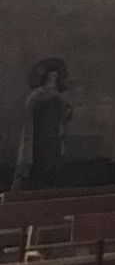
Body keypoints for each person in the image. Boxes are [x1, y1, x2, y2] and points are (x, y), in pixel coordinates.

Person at [11, 59, 72, 191]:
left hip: (54, 131)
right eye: (51, 76)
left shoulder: (61, 94)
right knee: (41, 158)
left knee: (54, 157)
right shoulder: (37, 93)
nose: (53, 79)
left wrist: (66, 110)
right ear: (46, 77)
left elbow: (66, 114)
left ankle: (53, 181)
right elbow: (29, 110)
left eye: (55, 76)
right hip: (41, 130)